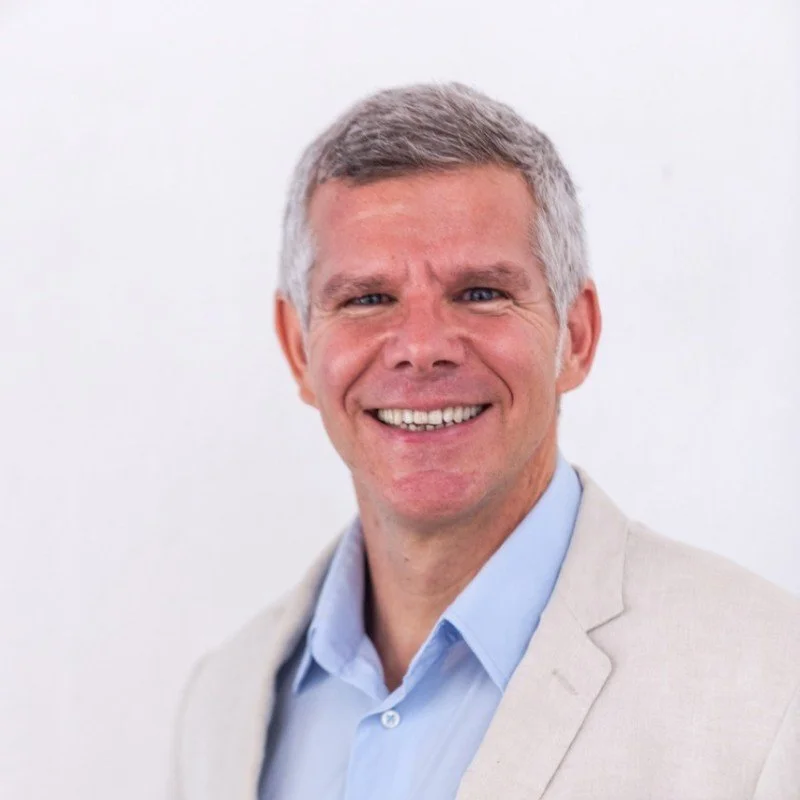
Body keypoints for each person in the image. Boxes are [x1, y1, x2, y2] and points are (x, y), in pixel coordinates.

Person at [169, 83, 800, 800]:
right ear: (297, 349)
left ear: (577, 336)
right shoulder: (222, 707)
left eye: (481, 292)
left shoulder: (772, 689)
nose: (422, 347)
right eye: (368, 299)